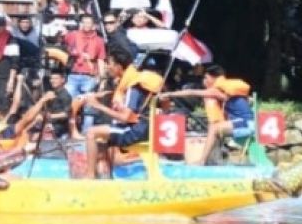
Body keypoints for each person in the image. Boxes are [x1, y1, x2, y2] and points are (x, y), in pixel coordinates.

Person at [80, 48, 164, 178]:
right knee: (102, 139)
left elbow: (126, 117)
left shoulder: (134, 87)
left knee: (91, 132)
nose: (108, 67)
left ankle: (90, 176)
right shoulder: (132, 83)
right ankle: (104, 175)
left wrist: (98, 106)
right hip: (141, 127)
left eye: (110, 64)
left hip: (135, 130)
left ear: (119, 67)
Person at [160, 65, 254, 164]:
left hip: (245, 124)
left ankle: (202, 161)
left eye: (206, 78)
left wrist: (169, 94)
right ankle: (213, 161)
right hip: (244, 123)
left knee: (214, 128)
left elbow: (191, 92)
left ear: (214, 78)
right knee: (215, 129)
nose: (204, 81)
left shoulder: (217, 91)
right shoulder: (229, 91)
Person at [63, 14, 106, 99]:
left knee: (88, 106)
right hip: (73, 75)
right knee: (69, 103)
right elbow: (62, 42)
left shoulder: (99, 40)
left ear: (93, 25)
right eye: (84, 22)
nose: (86, 25)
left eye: (88, 23)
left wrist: (102, 79)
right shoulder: (73, 35)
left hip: (90, 77)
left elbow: (101, 60)